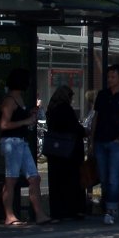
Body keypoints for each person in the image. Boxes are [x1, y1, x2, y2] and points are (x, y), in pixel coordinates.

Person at [0, 68, 54, 226]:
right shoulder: (10, 101)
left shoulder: (19, 99)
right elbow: (4, 124)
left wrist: (29, 114)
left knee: (34, 178)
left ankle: (39, 214)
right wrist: (26, 121)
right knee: (11, 179)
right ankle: (9, 215)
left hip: (21, 142)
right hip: (12, 142)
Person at [90, 64, 119, 224]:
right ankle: (107, 206)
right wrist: (92, 138)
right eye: (109, 76)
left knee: (114, 177)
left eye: (113, 77)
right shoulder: (102, 95)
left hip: (116, 142)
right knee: (103, 177)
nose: (110, 79)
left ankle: (112, 209)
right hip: (100, 140)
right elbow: (96, 117)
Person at [44, 85, 88, 219]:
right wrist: (86, 132)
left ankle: (58, 211)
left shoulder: (51, 109)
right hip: (69, 151)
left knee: (56, 182)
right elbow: (75, 128)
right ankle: (73, 210)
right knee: (72, 180)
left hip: (55, 150)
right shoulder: (65, 109)